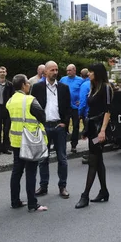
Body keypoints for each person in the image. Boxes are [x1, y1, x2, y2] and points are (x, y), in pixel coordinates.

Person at [7, 74, 48, 212]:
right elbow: (43, 116)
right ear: (24, 85)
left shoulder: (10, 101)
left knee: (17, 171)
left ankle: (15, 201)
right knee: (31, 172)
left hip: (16, 140)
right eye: (28, 83)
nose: (29, 85)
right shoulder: (30, 100)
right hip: (30, 140)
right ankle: (32, 204)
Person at [31, 61, 72, 198]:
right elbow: (33, 107)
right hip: (44, 126)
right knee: (43, 158)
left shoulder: (63, 88)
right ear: (45, 72)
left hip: (58, 126)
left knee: (62, 158)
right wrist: (38, 124)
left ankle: (62, 186)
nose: (55, 72)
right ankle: (43, 186)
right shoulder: (37, 87)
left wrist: (65, 123)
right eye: (52, 70)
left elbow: (67, 107)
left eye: (56, 70)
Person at [75, 63, 112, 209]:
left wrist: (103, 131)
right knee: (98, 160)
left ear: (97, 73)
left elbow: (108, 111)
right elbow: (91, 111)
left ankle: (85, 195)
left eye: (91, 72)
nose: (88, 74)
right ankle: (104, 191)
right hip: (92, 128)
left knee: (93, 160)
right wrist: (85, 129)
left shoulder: (106, 88)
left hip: (100, 131)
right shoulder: (92, 87)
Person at [59, 64, 84, 154]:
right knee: (64, 126)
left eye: (70, 70)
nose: (68, 72)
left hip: (75, 108)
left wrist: (81, 101)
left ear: (74, 70)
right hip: (65, 107)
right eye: (67, 71)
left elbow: (84, 91)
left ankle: (74, 145)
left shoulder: (80, 80)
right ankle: (62, 144)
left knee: (76, 126)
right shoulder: (63, 79)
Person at [78, 69, 91, 165]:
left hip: (88, 114)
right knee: (94, 135)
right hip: (99, 114)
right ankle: (94, 151)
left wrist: (79, 113)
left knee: (90, 135)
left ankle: (93, 153)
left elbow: (82, 102)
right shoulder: (97, 84)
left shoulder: (84, 85)